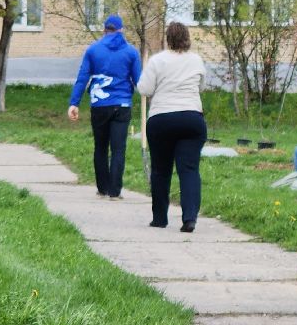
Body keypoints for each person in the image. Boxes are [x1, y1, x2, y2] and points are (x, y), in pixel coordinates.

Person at [136, 21, 207, 232]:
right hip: (191, 119)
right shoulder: (196, 60)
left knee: (161, 170)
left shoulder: (157, 60)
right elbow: (201, 86)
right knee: (189, 169)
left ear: (168, 39)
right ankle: (190, 218)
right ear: (187, 38)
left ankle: (160, 218)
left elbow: (144, 89)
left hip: (162, 119)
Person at [67, 14, 143, 199]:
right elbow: (140, 81)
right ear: (121, 29)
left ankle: (102, 188)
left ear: (104, 30)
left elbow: (82, 78)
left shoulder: (93, 50)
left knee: (100, 147)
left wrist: (73, 103)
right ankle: (115, 191)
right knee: (118, 148)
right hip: (122, 104)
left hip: (99, 105)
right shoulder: (131, 52)